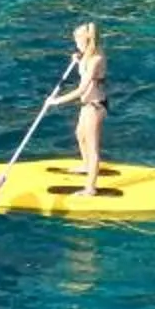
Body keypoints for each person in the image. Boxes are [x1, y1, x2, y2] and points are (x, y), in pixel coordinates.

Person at [44, 22, 109, 197]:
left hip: (95, 106)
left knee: (93, 146)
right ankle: (86, 166)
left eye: (77, 40)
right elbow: (84, 65)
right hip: (86, 105)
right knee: (79, 134)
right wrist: (79, 59)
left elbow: (82, 89)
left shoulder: (96, 59)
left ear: (86, 40)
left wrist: (56, 101)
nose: (75, 43)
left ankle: (90, 188)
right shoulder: (88, 55)